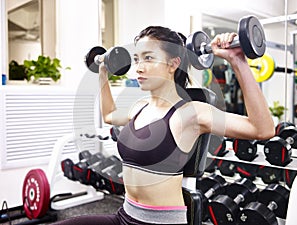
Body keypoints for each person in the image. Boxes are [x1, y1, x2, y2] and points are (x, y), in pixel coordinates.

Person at [53, 26, 275, 225]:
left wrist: (237, 61)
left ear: (173, 63)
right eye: (137, 59)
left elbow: (262, 129)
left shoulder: (191, 112)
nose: (138, 68)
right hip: (125, 216)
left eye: (148, 58)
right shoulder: (139, 106)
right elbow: (109, 114)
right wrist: (102, 70)